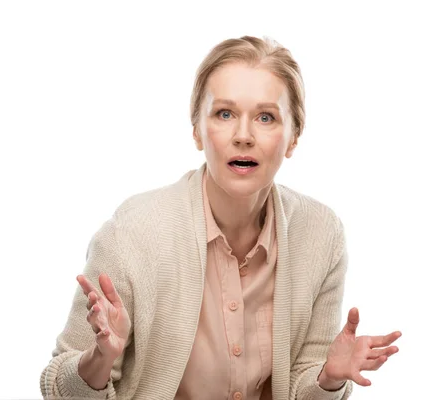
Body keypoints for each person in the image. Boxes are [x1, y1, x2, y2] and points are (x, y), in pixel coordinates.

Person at [39, 35, 401, 400]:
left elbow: (303, 387)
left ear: (293, 138)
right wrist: (98, 360)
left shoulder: (322, 234)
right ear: (197, 129)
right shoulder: (131, 235)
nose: (243, 136)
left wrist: (328, 379)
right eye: (224, 114)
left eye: (266, 117)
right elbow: (57, 389)